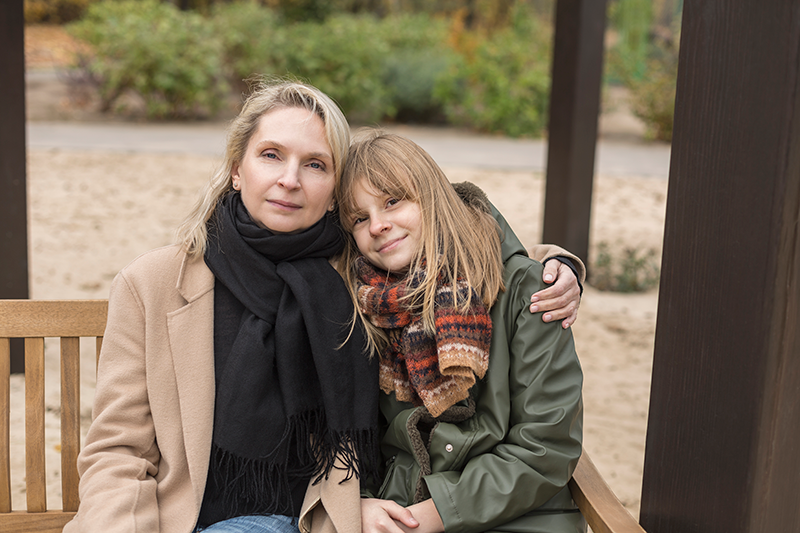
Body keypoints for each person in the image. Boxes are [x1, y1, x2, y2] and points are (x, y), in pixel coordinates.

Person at [63, 79, 583, 533]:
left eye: (314, 164)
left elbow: (457, 241)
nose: (290, 179)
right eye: (271, 155)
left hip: (311, 515)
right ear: (236, 169)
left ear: (332, 191)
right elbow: (117, 451)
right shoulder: (154, 283)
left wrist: (557, 267)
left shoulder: (350, 269)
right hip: (179, 517)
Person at [335, 130, 585, 533]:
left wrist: (429, 517)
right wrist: (361, 503)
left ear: (432, 196)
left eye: (393, 201)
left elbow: (545, 447)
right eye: (359, 219)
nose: (378, 225)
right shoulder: (361, 301)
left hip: (521, 516)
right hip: (396, 508)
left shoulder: (529, 292)